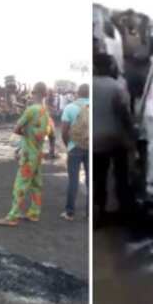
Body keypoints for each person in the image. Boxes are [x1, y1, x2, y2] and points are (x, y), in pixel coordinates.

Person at [0, 82, 55, 226]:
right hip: (38, 154)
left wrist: (26, 133)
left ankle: (12, 217)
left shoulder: (31, 110)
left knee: (20, 185)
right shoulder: (46, 112)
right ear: (45, 94)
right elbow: (50, 133)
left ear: (34, 93)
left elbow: (17, 128)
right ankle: (34, 213)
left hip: (28, 154)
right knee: (36, 184)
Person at [92, 51, 134, 227]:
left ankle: (98, 214)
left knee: (98, 178)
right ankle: (123, 213)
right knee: (120, 176)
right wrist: (131, 134)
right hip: (115, 139)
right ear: (110, 67)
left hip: (94, 140)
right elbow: (124, 114)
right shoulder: (117, 87)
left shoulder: (90, 85)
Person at [60, 83, 90, 221]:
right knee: (91, 180)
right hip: (91, 147)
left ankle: (70, 212)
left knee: (73, 180)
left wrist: (69, 145)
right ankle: (89, 213)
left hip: (74, 147)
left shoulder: (70, 107)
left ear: (77, 93)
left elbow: (64, 131)